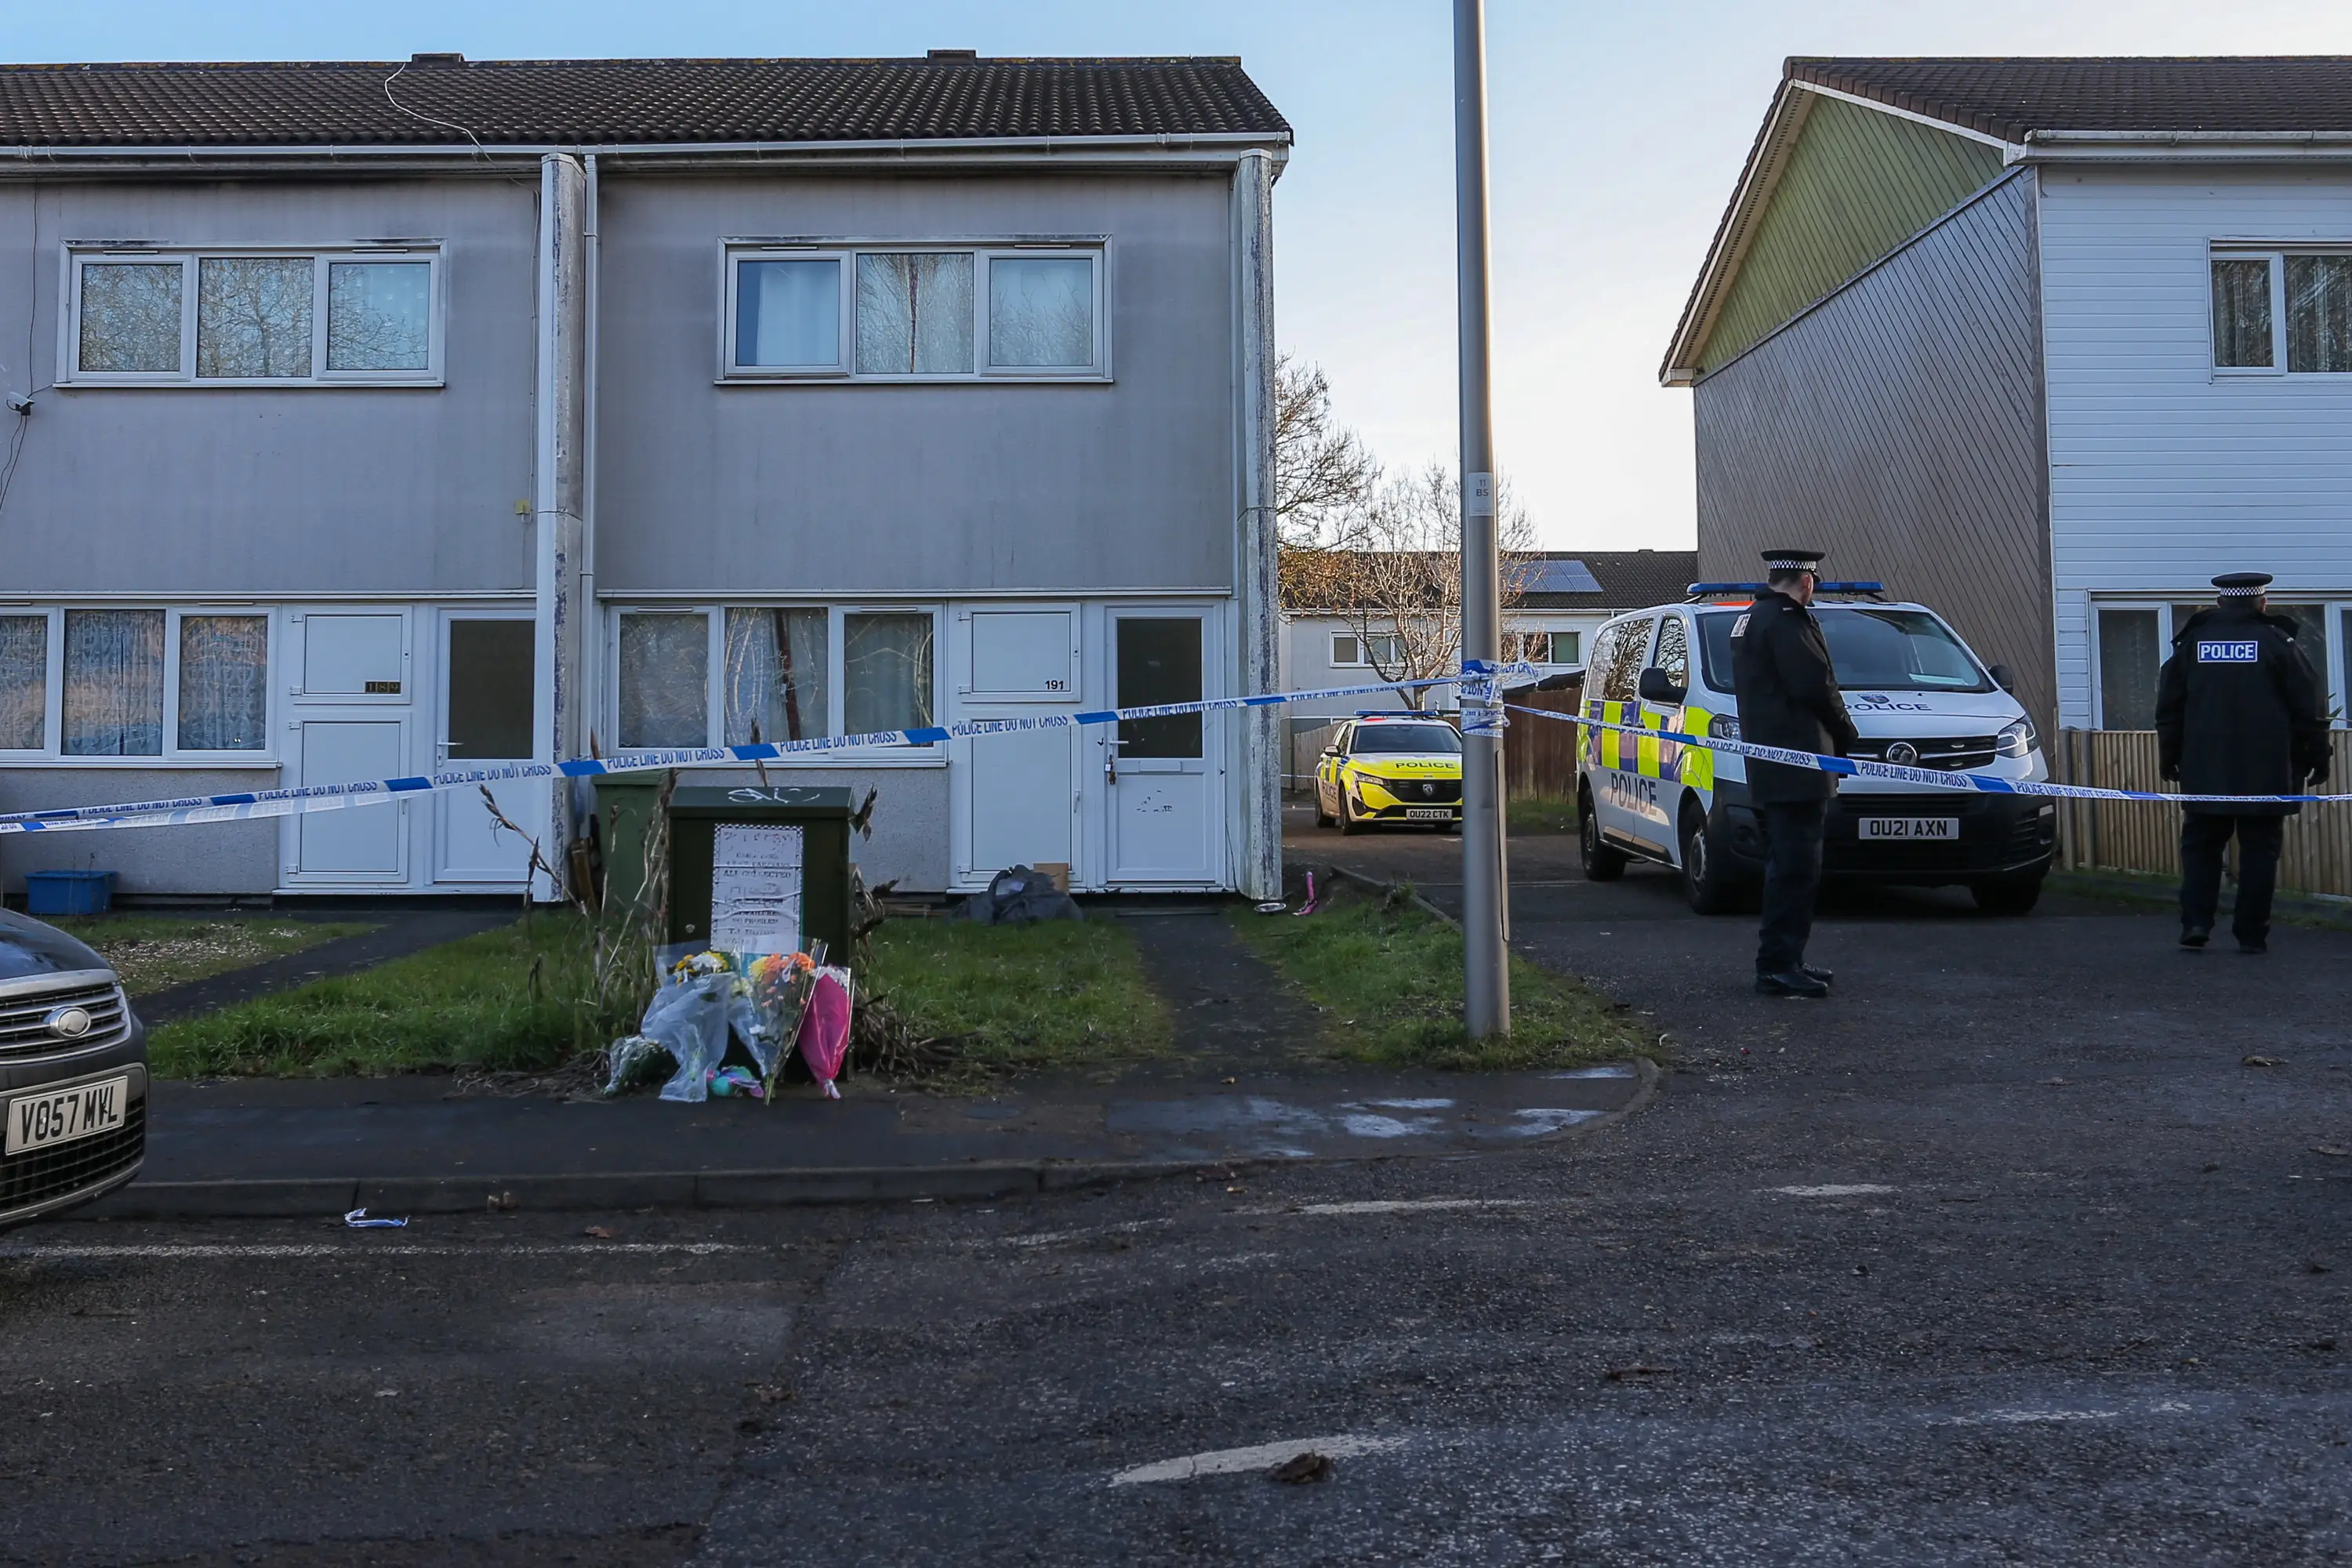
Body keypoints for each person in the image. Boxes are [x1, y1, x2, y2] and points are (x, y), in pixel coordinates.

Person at [2154, 572, 2329, 954]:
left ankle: (2196, 922)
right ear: (2262, 603)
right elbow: (2309, 707)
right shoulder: (2278, 643)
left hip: (2204, 771)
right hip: (2265, 774)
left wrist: (2169, 756)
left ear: (2220, 603)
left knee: (2201, 849)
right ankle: (2251, 934)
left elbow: (2169, 707)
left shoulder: (2193, 644)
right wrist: (2319, 757)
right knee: (2259, 853)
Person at [1731, 549, 1860, 998]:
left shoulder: (1752, 618)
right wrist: (1846, 734)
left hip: (1775, 760)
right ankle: (1778, 966)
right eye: (1814, 583)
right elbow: (1815, 684)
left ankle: (1787, 957)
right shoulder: (1786, 621)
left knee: (1789, 864)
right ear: (1806, 582)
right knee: (1795, 868)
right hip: (1798, 760)